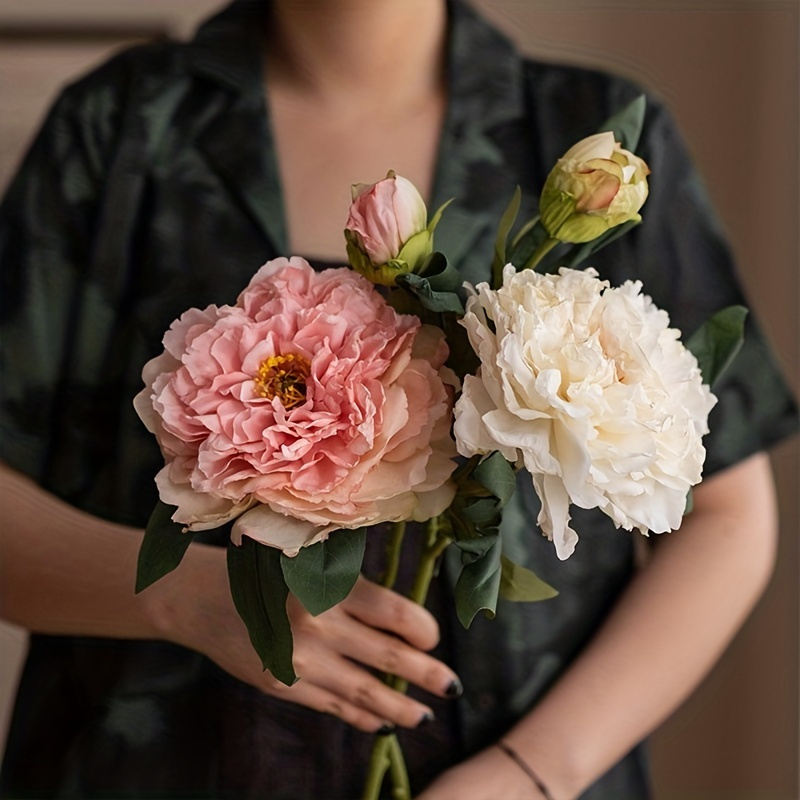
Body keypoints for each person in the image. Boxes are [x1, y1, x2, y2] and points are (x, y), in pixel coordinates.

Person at [0, 0, 797, 798]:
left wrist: (534, 773)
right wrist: (192, 598)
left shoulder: (594, 145)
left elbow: (727, 514)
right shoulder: (121, 125)